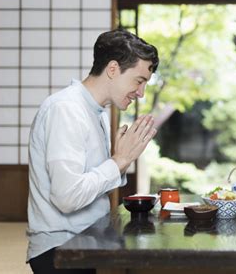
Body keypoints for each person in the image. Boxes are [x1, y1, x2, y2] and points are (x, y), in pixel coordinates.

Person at [26, 29, 159, 273]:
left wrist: (121, 161)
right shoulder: (67, 109)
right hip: (62, 248)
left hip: (89, 238)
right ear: (112, 69)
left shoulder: (95, 111)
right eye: (139, 81)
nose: (141, 93)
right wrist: (119, 160)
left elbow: (91, 184)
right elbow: (67, 198)